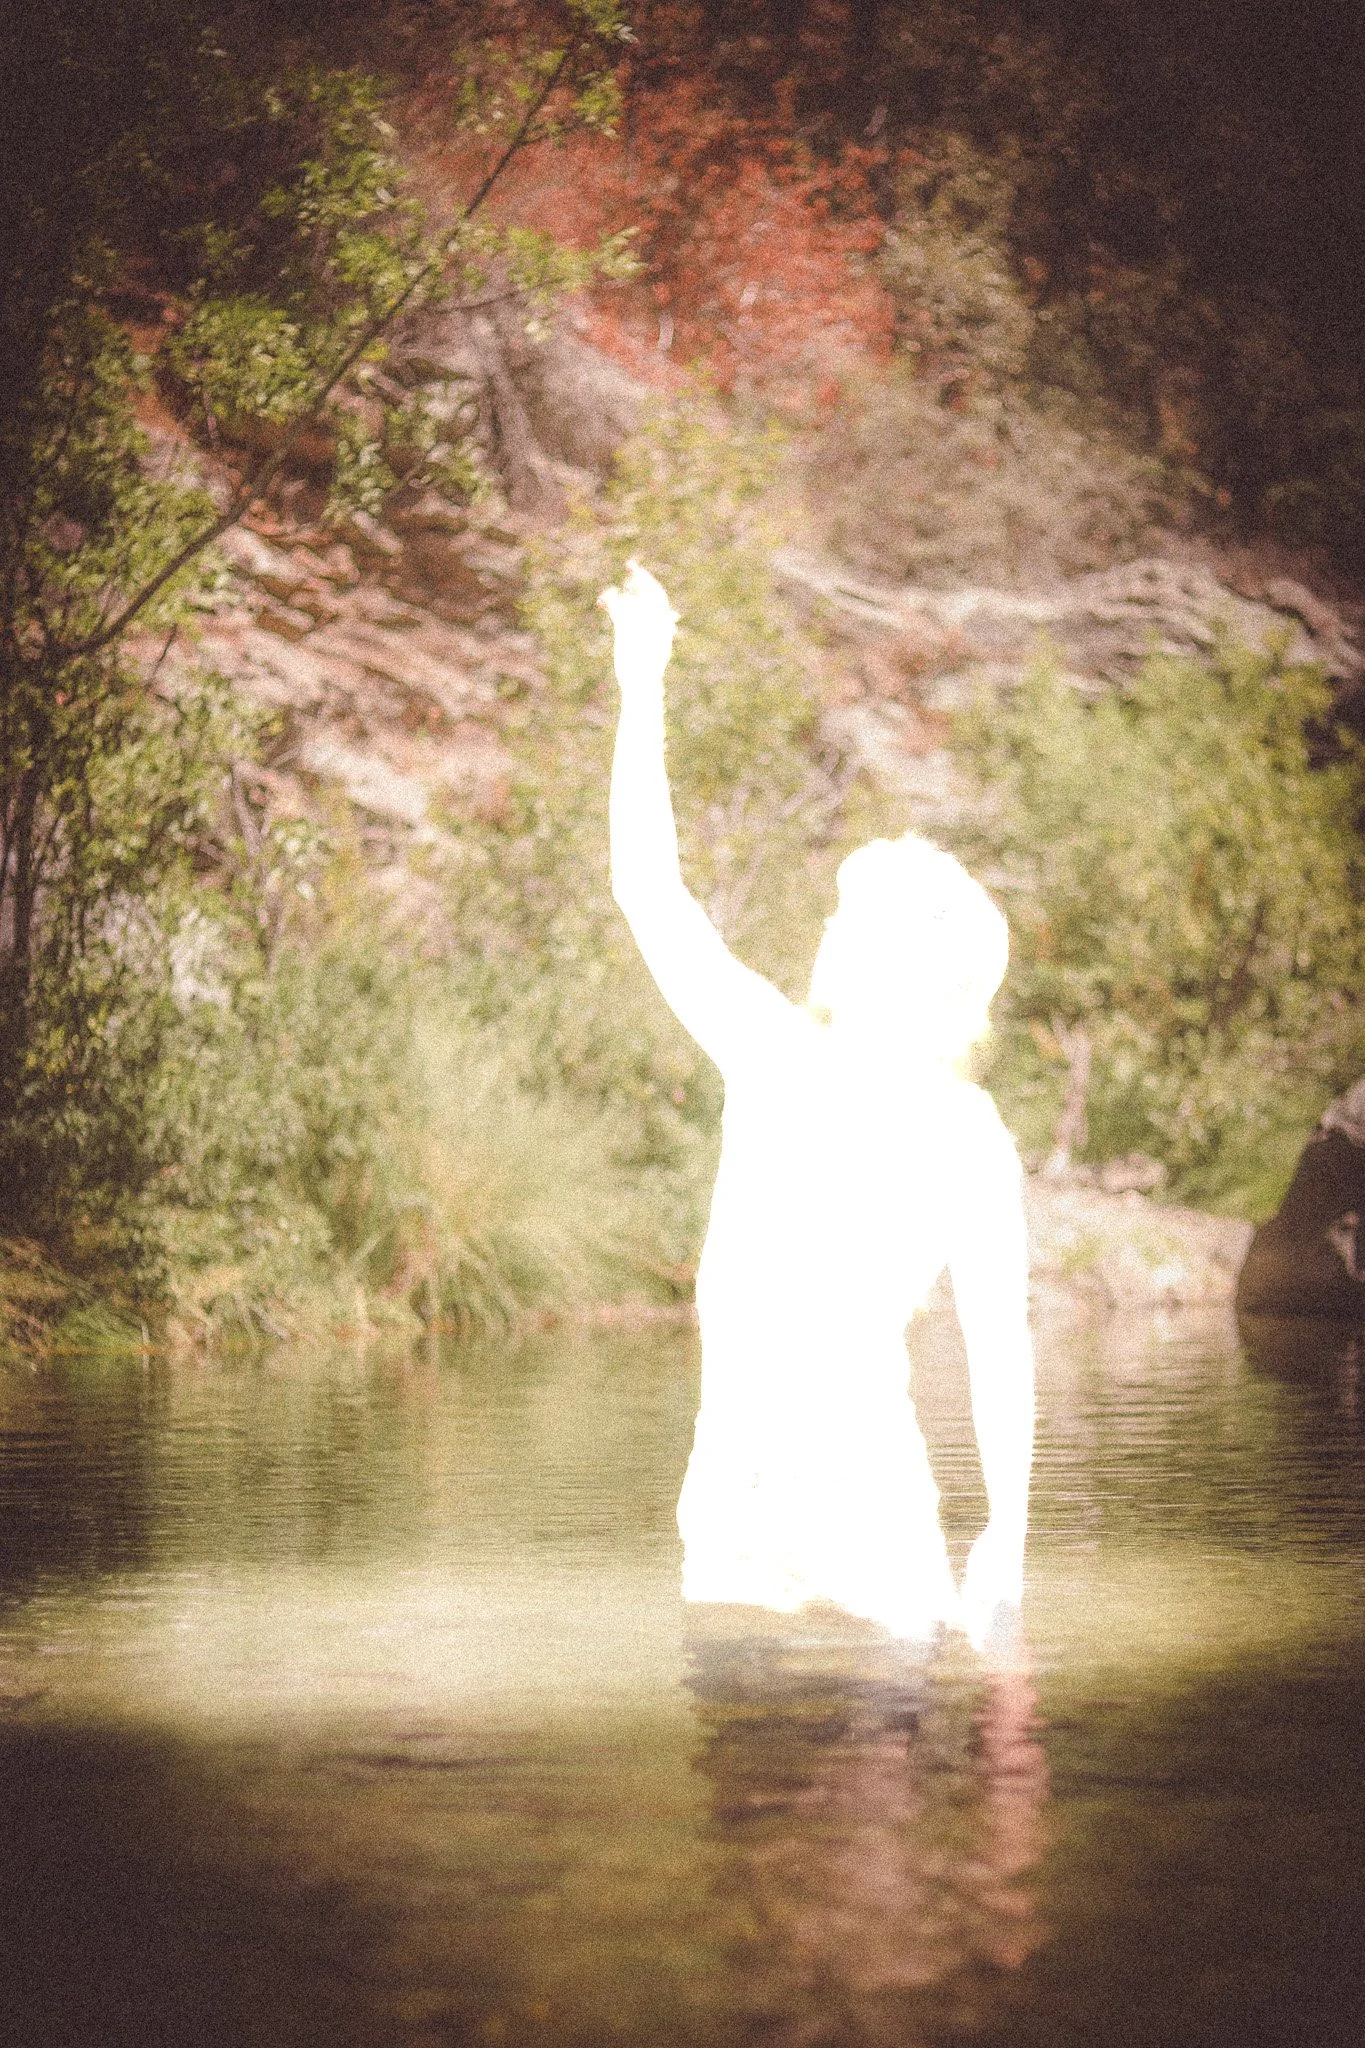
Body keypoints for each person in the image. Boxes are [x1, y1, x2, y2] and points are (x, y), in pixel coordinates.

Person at [600, 561, 1034, 1648]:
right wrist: (642, 683)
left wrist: (1009, 1536)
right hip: (744, 1541)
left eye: (850, 918)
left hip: (855, 1542)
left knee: (817, 1817)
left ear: (898, 962)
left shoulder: (838, 1079)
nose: (828, 930)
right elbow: (646, 889)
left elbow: (1000, 1343)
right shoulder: (780, 1053)